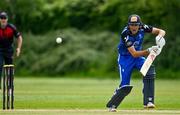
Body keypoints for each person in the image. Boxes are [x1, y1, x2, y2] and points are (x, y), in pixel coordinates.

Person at [106, 14, 166, 112]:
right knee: (125, 86)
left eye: (136, 24)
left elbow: (162, 31)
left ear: (140, 25)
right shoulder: (125, 33)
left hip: (138, 58)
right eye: (131, 24)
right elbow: (134, 54)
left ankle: (148, 101)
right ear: (128, 25)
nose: (134, 27)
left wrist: (159, 37)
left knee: (149, 70)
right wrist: (149, 50)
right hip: (125, 59)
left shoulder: (143, 27)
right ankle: (112, 104)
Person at [0, 11, 23, 89]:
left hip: (9, 50)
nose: (3, 20)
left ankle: (10, 85)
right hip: (0, 50)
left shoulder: (11, 27)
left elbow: (19, 38)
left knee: (9, 67)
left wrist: (18, 48)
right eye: (1, 18)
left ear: (7, 19)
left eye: (4, 18)